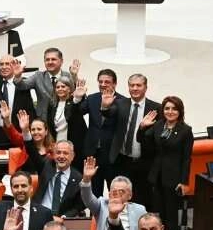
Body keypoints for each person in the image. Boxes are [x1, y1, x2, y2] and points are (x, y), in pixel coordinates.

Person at [136, 95, 193, 230]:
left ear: (180, 111)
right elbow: (142, 140)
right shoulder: (158, 125)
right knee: (156, 213)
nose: (170, 111)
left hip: (173, 179)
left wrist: (184, 181)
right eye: (167, 108)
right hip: (156, 176)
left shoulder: (185, 130)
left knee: (171, 216)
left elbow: (186, 159)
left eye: (174, 109)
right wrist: (142, 127)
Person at [109, 74, 161, 209]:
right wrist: (104, 107)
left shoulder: (155, 108)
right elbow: (108, 115)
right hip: (122, 160)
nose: (135, 88)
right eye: (132, 85)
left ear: (146, 87)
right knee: (121, 198)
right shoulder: (120, 104)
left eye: (138, 85)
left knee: (143, 200)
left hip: (144, 162)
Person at [81, 157, 146, 230]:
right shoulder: (102, 205)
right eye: (114, 191)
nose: (117, 194)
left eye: (121, 191)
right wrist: (86, 180)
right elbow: (87, 199)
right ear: (109, 193)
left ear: (130, 195)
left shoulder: (139, 210)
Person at [74, 69, 125, 197]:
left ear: (114, 84)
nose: (103, 84)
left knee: (115, 191)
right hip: (92, 154)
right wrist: (78, 98)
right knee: (94, 192)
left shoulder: (122, 101)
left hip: (112, 155)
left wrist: (106, 106)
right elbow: (78, 112)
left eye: (107, 82)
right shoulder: (92, 98)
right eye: (100, 81)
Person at [22, 117, 84, 217]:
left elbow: (79, 206)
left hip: (61, 218)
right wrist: (25, 131)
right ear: (54, 155)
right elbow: (31, 150)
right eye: (58, 153)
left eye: (65, 153)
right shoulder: (46, 165)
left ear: (72, 156)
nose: (61, 156)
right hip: (39, 213)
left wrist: (66, 217)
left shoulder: (77, 178)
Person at [17, 49, 79, 120]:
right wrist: (17, 76)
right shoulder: (38, 76)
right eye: (47, 60)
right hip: (43, 120)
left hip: (64, 119)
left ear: (61, 61)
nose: (50, 62)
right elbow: (22, 85)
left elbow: (75, 95)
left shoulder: (68, 76)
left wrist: (74, 77)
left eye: (53, 59)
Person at [47, 78, 86, 165]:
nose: (60, 89)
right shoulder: (52, 105)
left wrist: (77, 98)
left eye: (63, 86)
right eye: (57, 87)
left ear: (69, 89)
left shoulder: (75, 101)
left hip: (75, 143)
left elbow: (76, 107)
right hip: (58, 141)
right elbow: (49, 124)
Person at [6, 107, 54, 174]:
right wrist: (6, 119)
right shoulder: (25, 142)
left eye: (39, 129)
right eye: (33, 130)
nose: (36, 132)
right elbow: (13, 134)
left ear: (46, 131)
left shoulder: (53, 149)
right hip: (24, 178)